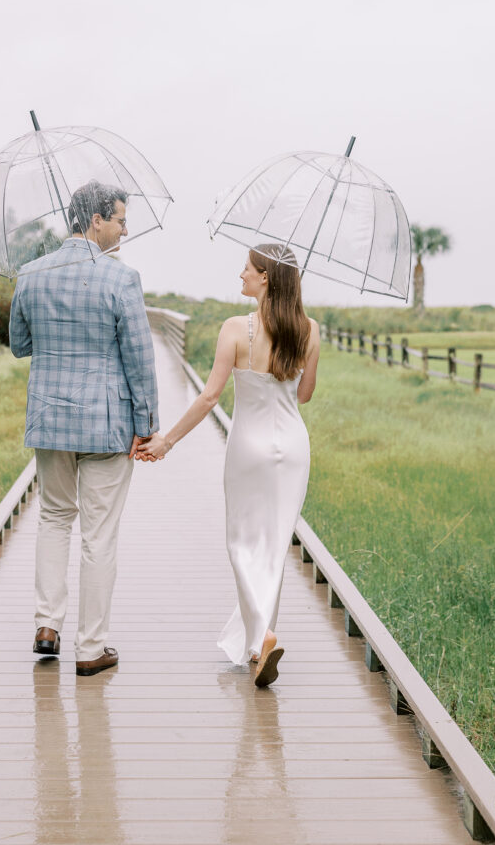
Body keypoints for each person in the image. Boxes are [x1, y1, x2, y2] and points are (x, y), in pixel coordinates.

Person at [137, 243, 319, 688]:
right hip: (293, 447)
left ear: (266, 279)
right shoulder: (311, 330)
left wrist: (167, 441)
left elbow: (209, 397)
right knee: (275, 546)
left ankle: (261, 639)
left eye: (248, 268)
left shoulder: (236, 329)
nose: (241, 274)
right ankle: (259, 645)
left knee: (242, 543)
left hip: (249, 447)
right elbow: (304, 395)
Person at [9, 180, 158, 675]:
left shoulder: (29, 274)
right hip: (107, 421)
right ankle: (91, 649)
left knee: (54, 517)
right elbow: (139, 359)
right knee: (99, 535)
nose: (124, 228)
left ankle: (47, 625)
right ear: (95, 220)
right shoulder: (121, 279)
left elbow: (19, 343)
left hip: (50, 417)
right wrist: (148, 425)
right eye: (119, 219)